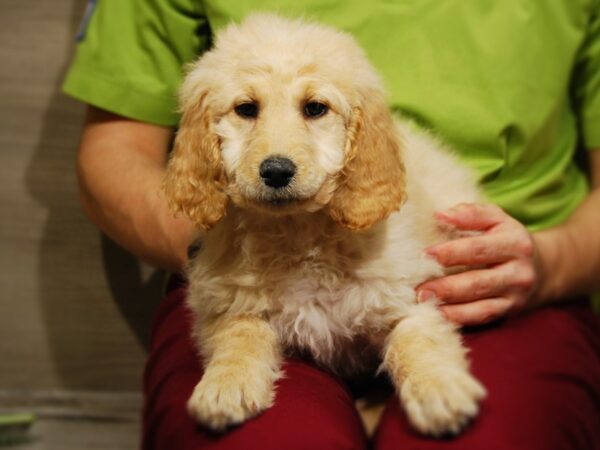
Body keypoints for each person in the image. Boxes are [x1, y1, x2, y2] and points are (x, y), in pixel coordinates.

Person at [63, 1, 600, 449]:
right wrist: (224, 262)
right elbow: (114, 150)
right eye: (245, 109)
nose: (277, 153)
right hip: (232, 238)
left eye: (316, 107)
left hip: (496, 276)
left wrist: (553, 261)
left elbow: (404, 313)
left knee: (474, 434)